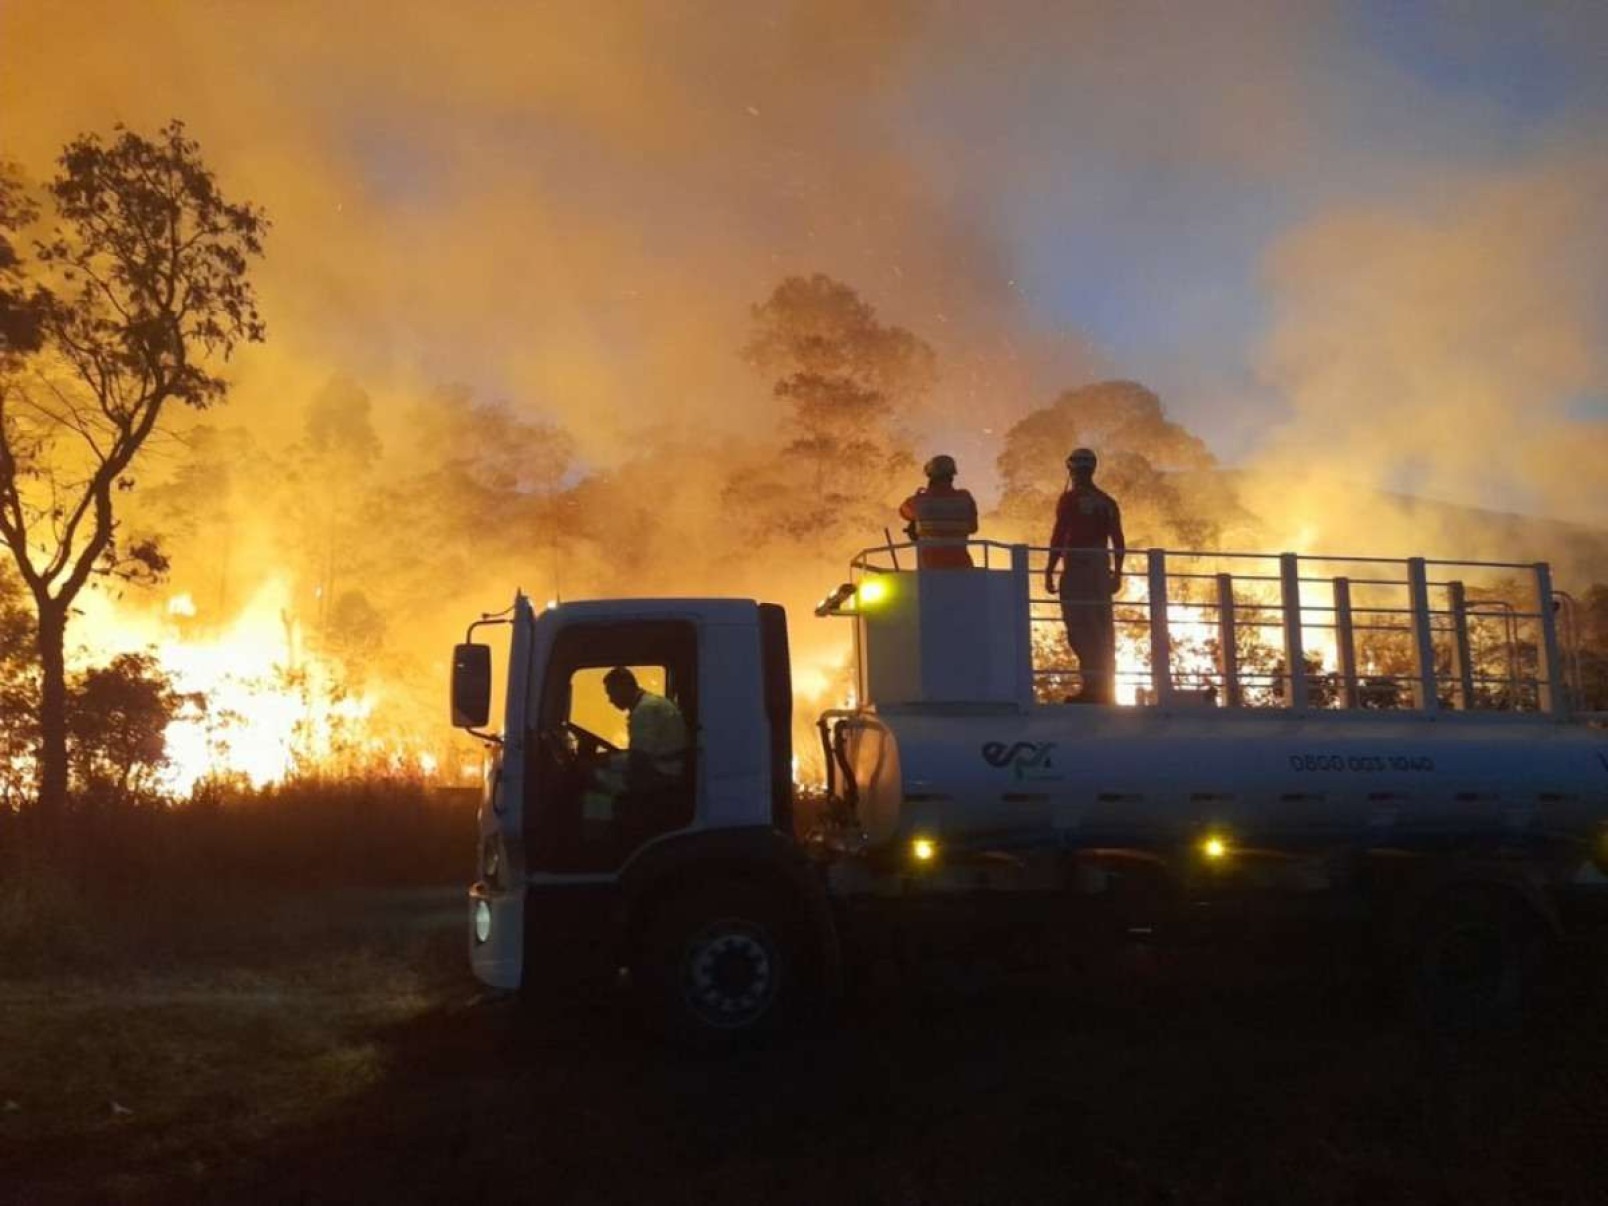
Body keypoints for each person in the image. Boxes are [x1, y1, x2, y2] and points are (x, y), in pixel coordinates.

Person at [1044, 447, 1125, 703]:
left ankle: (1093, 688)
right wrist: (1117, 574)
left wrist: (1049, 569)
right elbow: (1118, 540)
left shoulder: (1070, 500)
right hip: (1101, 566)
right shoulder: (1107, 501)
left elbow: (1060, 534)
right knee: (1101, 627)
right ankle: (1105, 687)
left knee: (1080, 626)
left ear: (1072, 469)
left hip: (1078, 566)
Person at [899, 454, 979, 569]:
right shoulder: (965, 498)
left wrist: (916, 522)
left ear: (930, 476)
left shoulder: (919, 501)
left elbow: (902, 512)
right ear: (952, 475)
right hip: (961, 566)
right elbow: (973, 528)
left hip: (929, 566)